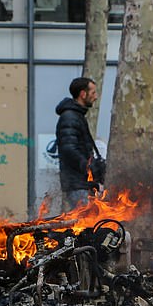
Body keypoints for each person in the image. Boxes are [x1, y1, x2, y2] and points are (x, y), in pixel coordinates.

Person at [55, 77, 102, 212]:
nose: (96, 96)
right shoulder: (70, 117)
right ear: (83, 94)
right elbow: (68, 148)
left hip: (82, 182)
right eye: (93, 93)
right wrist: (87, 166)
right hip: (77, 183)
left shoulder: (76, 116)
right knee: (87, 221)